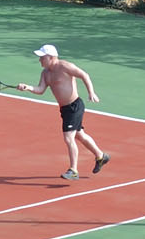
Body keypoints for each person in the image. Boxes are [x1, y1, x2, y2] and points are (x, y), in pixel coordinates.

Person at [30, 43, 110, 180]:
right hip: (65, 110)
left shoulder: (64, 66)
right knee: (79, 135)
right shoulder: (45, 73)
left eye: (42, 57)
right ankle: (101, 156)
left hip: (75, 106)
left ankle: (73, 170)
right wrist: (27, 87)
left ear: (50, 57)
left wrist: (91, 92)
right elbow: (40, 90)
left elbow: (84, 75)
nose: (40, 60)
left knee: (69, 137)